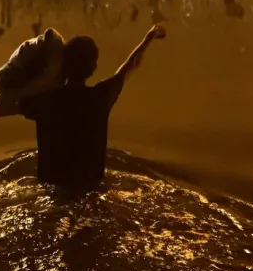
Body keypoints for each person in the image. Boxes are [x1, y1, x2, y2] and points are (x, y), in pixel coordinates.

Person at [11, 25, 166, 190]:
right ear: (93, 68)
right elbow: (131, 65)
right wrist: (149, 38)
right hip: (91, 186)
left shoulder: (43, 101)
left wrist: (38, 81)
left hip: (51, 188)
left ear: (62, 66)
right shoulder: (102, 97)